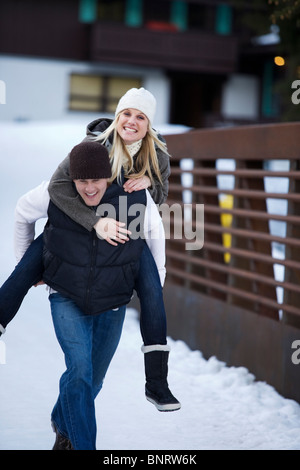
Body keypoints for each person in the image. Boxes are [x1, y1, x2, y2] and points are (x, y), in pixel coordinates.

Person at [0, 87, 180, 413]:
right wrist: (95, 221)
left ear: (149, 124)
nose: (132, 121)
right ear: (117, 115)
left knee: (153, 292)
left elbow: (160, 198)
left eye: (141, 117)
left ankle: (157, 384)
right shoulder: (93, 148)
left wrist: (149, 184)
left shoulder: (158, 154)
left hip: (123, 238)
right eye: (126, 113)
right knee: (33, 260)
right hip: (76, 226)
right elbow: (56, 187)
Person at [13, 141, 167, 450]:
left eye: (95, 179)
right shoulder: (54, 192)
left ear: (109, 175)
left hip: (112, 298)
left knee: (91, 380)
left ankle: (62, 420)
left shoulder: (132, 195)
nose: (89, 187)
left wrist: (152, 289)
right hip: (65, 294)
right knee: (80, 369)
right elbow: (21, 212)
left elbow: (154, 237)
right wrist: (27, 266)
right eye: (81, 180)